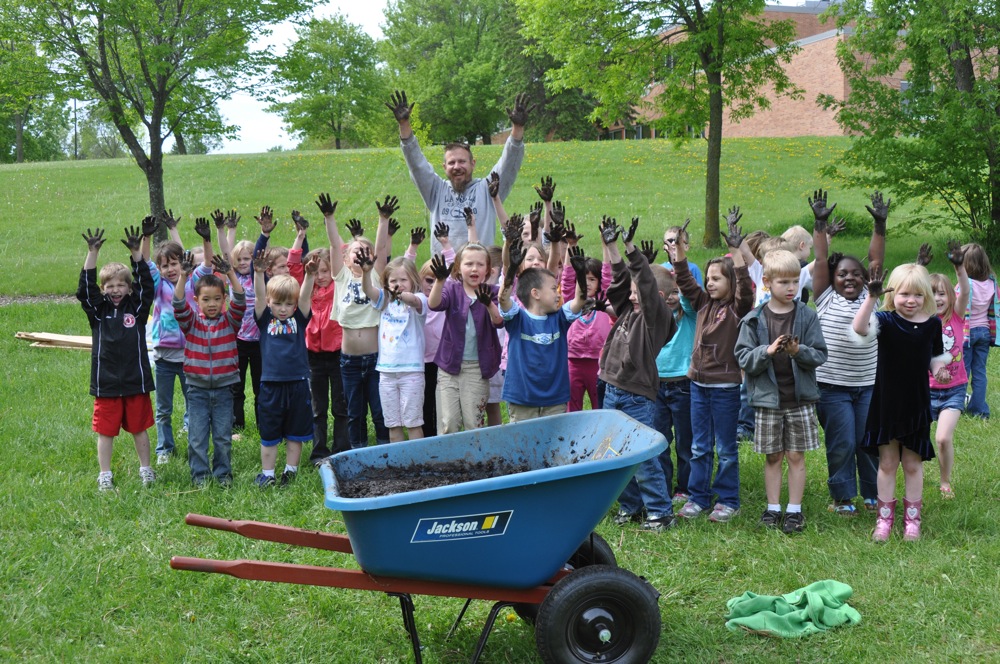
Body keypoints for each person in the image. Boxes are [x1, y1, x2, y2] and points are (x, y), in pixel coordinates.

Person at [853, 263, 947, 541]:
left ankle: (912, 521)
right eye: (904, 294)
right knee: (887, 463)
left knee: (913, 464)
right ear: (893, 294)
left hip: (916, 405)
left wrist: (939, 371)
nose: (911, 300)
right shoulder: (885, 320)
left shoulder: (933, 324)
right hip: (887, 403)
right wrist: (871, 297)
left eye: (918, 295)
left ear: (926, 296)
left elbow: (935, 358)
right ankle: (884, 520)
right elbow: (859, 328)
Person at [736, 249, 828, 534]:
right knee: (773, 456)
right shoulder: (753, 319)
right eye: (783, 282)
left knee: (796, 456)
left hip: (799, 400)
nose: (790, 288)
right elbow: (743, 358)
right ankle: (773, 507)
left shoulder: (807, 316)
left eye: (794, 282)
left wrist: (798, 351)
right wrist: (768, 351)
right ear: (767, 282)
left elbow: (820, 354)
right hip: (768, 401)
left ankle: (794, 510)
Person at [597, 216, 678, 532]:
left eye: (637, 293)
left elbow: (643, 282)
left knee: (642, 457)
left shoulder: (657, 319)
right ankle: (630, 507)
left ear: (656, 298)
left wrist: (633, 248)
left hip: (636, 396)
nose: (631, 296)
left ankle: (660, 512)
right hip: (613, 388)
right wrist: (613, 245)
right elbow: (622, 279)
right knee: (616, 454)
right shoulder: (630, 310)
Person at [675, 209, 754, 523]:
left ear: (731, 281)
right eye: (707, 278)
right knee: (699, 445)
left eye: (716, 278)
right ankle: (698, 498)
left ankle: (729, 500)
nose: (709, 283)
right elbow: (683, 280)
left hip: (724, 389)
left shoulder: (737, 308)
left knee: (726, 447)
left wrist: (736, 251)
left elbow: (746, 287)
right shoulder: (702, 303)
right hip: (698, 386)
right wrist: (680, 250)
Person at [810, 189, 885, 514]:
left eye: (857, 273)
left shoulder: (874, 298)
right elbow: (820, 261)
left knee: (868, 442)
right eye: (843, 274)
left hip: (868, 385)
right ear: (833, 278)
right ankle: (842, 497)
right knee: (842, 443)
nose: (850, 277)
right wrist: (819, 225)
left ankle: (872, 494)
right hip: (832, 388)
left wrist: (880, 226)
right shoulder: (826, 297)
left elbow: (876, 260)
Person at [386, 89, 531, 251]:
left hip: (480, 271)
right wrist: (404, 125)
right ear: (444, 167)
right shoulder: (435, 191)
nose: (457, 167)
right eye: (451, 162)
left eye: (462, 161)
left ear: (473, 164)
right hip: (444, 273)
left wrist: (517, 129)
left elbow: (509, 164)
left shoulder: (488, 190)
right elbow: (417, 165)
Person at [77, 225, 157, 491]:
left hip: (136, 380)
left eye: (121, 284)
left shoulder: (137, 307)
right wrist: (92, 253)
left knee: (139, 428)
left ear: (128, 288)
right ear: (103, 288)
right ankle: (105, 474)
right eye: (110, 285)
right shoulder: (97, 311)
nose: (115, 289)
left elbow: (147, 286)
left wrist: (137, 254)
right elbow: (85, 291)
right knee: (106, 431)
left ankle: (146, 470)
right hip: (106, 383)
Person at [321, 193, 393, 449]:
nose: (361, 255)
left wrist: (383, 220)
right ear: (345, 257)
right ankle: (358, 453)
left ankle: (386, 451)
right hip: (348, 362)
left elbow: (382, 248)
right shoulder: (340, 277)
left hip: (376, 359)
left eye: (366, 251)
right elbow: (333, 245)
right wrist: (330, 217)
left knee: (379, 411)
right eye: (355, 251)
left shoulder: (376, 275)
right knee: (355, 412)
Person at [145, 214, 213, 464]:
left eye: (174, 264)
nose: (170, 269)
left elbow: (204, 264)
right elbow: (144, 264)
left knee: (193, 404)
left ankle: (192, 436)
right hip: (163, 358)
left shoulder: (192, 282)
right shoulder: (158, 285)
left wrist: (206, 240)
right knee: (163, 409)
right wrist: (147, 237)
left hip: (190, 356)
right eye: (165, 266)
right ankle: (164, 449)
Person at [173, 252, 246, 486]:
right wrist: (184, 276)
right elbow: (177, 303)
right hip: (197, 391)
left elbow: (241, 300)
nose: (212, 304)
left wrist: (230, 273)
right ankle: (200, 477)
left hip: (225, 390)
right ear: (197, 301)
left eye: (217, 299)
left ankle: (223, 475)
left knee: (223, 438)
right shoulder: (191, 323)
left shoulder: (230, 322)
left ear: (224, 299)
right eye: (206, 299)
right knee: (197, 438)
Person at [498, 242, 588, 421]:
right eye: (554, 289)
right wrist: (513, 268)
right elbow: (503, 298)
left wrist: (581, 274)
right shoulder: (518, 319)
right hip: (522, 398)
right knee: (523, 446)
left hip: (555, 400)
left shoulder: (560, 319)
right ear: (536, 294)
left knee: (552, 446)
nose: (558, 295)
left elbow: (580, 299)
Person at [287, 213, 349, 463]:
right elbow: (293, 269)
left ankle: (342, 448)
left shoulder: (338, 287)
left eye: (326, 270)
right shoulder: (307, 289)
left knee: (341, 405)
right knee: (317, 406)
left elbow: (342, 253)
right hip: (312, 357)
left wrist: (330, 221)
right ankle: (319, 451)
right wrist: (300, 237)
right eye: (317, 271)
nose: (322, 275)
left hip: (339, 355)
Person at [252, 250, 318, 488]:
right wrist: (259, 273)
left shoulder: (299, 318)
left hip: (298, 383)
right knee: (269, 434)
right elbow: (259, 298)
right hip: (270, 384)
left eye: (288, 304)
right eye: (277, 303)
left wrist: (309, 276)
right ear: (270, 303)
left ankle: (290, 472)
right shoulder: (264, 319)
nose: (283, 308)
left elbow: (305, 298)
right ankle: (268, 474)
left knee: (295, 432)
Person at [427, 242, 503, 433]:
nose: (474, 268)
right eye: (468, 264)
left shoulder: (491, 292)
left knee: (474, 424)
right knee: (449, 423)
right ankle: (448, 462)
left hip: (477, 369)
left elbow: (499, 321)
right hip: (449, 367)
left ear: (488, 270)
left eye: (480, 264)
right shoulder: (452, 289)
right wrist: (439, 281)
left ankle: (474, 461)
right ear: (458, 268)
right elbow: (434, 304)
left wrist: (488, 305)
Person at [362, 255, 429, 441]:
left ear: (413, 280)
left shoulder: (420, 299)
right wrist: (366, 273)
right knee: (393, 423)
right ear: (386, 283)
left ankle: (417, 462)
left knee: (413, 422)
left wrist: (400, 294)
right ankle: (398, 465)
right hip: (386, 372)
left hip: (411, 371)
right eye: (393, 281)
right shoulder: (385, 300)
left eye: (403, 280)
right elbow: (368, 290)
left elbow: (413, 301)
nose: (398, 284)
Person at [653, 238, 698, 505]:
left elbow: (688, 297)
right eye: (666, 293)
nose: (671, 298)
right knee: (659, 441)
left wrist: (677, 266)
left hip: (683, 386)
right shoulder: (656, 316)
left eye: (675, 293)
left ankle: (685, 487)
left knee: (685, 442)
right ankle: (663, 485)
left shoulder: (690, 313)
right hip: (656, 386)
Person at [928, 241, 970, 499]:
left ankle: (945, 482)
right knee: (910, 441)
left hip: (954, 389)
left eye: (942, 293)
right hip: (925, 390)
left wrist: (959, 267)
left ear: (950, 297)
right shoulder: (921, 321)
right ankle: (912, 476)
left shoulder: (956, 315)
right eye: (931, 293)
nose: (937, 299)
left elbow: (965, 290)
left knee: (943, 438)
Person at [405, 225, 454, 438]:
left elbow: (453, 271)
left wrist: (446, 244)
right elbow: (404, 271)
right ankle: (425, 439)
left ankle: (440, 438)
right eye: (428, 280)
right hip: (420, 362)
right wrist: (413, 248)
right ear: (420, 281)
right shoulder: (418, 301)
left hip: (442, 360)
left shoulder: (445, 300)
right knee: (423, 404)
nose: (433, 285)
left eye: (437, 280)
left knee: (441, 404)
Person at [562, 232, 613, 412]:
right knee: (571, 409)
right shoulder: (571, 301)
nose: (587, 283)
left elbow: (608, 276)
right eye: (583, 279)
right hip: (572, 362)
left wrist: (605, 245)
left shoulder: (604, 300)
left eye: (592, 279)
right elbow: (567, 279)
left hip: (598, 363)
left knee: (599, 407)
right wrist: (570, 246)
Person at [960, 242, 998, 419]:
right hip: (984, 332)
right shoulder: (992, 283)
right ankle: (979, 410)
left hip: (967, 334)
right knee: (980, 371)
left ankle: (957, 405)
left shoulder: (965, 285)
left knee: (963, 372)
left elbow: (955, 306)